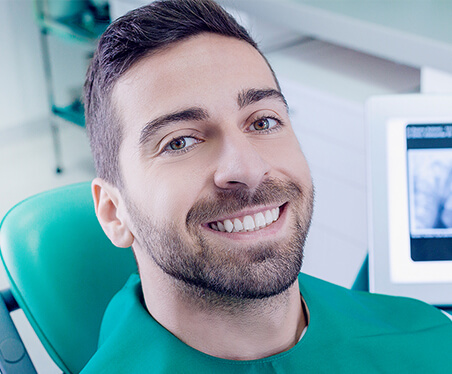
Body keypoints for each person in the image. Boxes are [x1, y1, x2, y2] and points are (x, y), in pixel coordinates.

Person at [81, 0, 452, 372]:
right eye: (179, 141)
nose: (248, 168)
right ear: (114, 212)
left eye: (263, 122)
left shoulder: (429, 339)